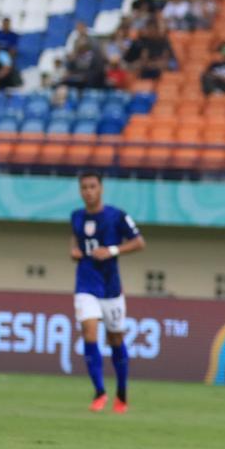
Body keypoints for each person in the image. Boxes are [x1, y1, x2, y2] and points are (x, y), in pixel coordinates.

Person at [69, 172, 145, 414]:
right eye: (84, 188)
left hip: (111, 287)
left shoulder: (117, 216)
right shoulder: (76, 216)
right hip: (86, 283)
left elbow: (139, 242)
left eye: (92, 186)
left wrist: (112, 250)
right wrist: (74, 251)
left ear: (101, 189)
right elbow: (76, 241)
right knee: (89, 332)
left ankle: (121, 394)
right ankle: (99, 392)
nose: (88, 191)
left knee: (115, 339)